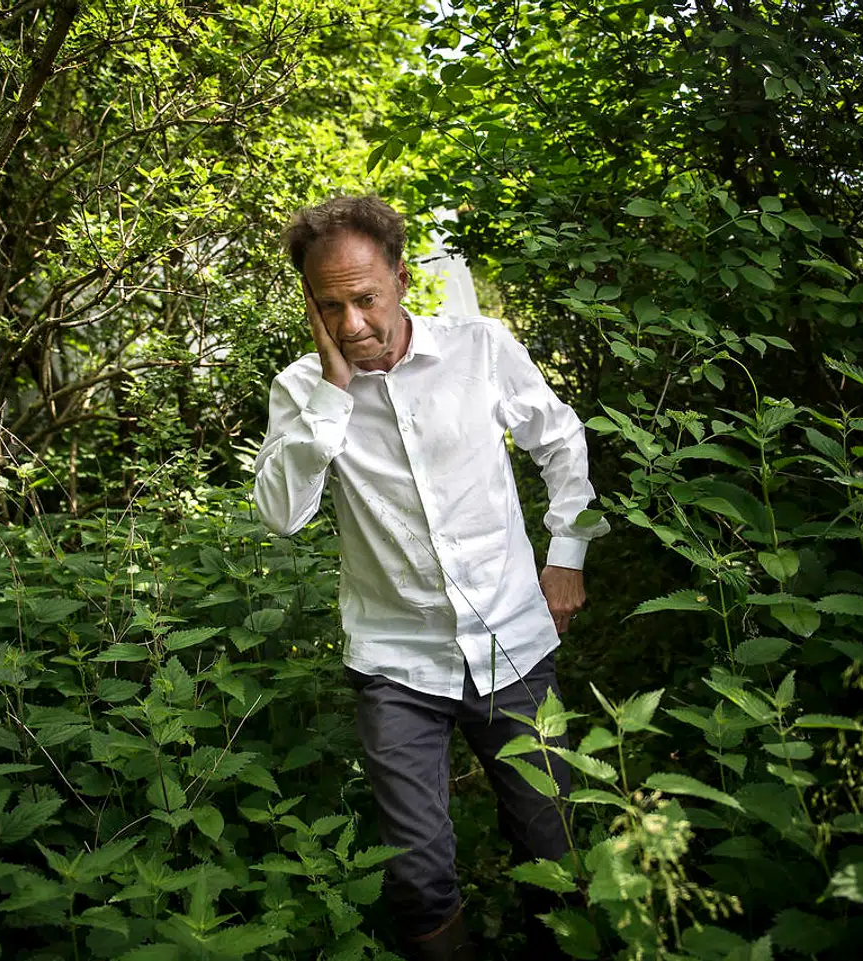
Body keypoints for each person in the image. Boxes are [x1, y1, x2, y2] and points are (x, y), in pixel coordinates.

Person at [253, 195, 608, 961]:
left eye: (366, 299)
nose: (352, 324)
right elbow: (281, 513)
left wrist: (566, 556)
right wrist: (332, 395)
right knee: (416, 877)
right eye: (329, 306)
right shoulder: (301, 390)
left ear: (402, 279)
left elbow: (560, 440)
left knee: (554, 847)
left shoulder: (480, 349)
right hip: (396, 662)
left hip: (512, 641)